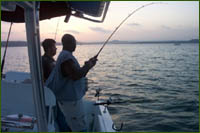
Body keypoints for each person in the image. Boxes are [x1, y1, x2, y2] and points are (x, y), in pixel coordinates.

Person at [45, 34, 97, 132]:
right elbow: (75, 76)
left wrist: (88, 65)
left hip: (69, 99)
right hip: (70, 101)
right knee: (80, 127)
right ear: (68, 43)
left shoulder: (65, 56)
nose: (75, 45)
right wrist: (88, 66)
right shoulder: (66, 57)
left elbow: (77, 73)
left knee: (75, 125)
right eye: (74, 42)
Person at [41, 39, 70, 132]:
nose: (56, 48)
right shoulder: (49, 62)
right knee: (60, 115)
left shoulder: (44, 59)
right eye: (54, 47)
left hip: (49, 93)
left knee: (58, 114)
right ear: (49, 48)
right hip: (52, 93)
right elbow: (54, 78)